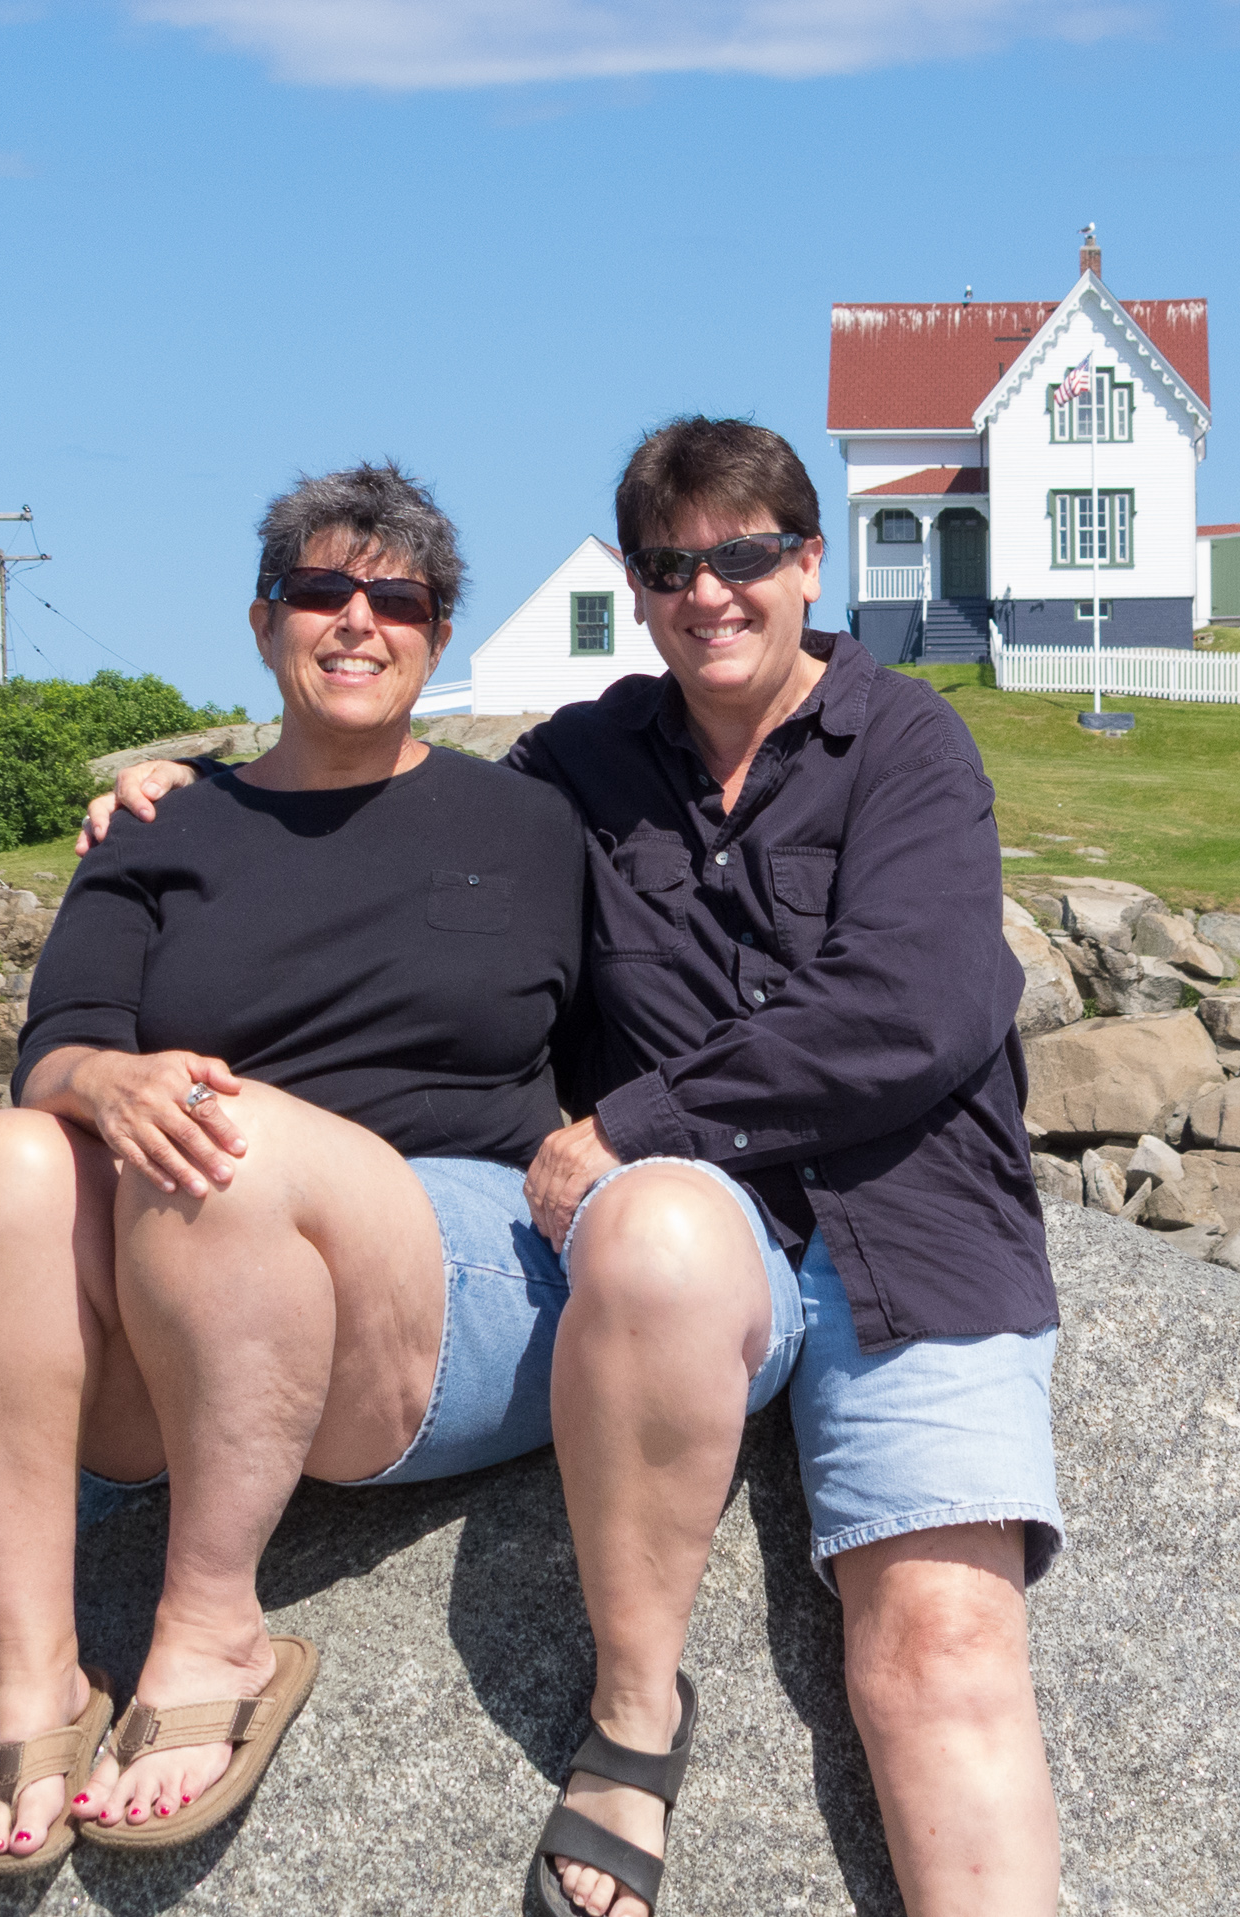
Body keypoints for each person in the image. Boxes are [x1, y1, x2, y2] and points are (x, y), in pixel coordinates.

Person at [90, 419, 1065, 1917]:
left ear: (808, 564)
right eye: (672, 564)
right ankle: (631, 1724)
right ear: (639, 583)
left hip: (909, 1231)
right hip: (688, 1245)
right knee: (661, 1233)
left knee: (940, 1648)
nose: (709, 592)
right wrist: (180, 804)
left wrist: (631, 1123)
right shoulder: (582, 763)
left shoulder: (910, 745)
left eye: (745, 555)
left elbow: (915, 1010)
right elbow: (379, 784)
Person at [0, 461, 632, 1876]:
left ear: (436, 634)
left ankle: (212, 1634)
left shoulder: (534, 823)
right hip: (192, 1305)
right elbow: (54, 1045)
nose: (356, 620)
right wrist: (103, 1081)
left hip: (437, 1262)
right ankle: (33, 1680)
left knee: (222, 1141)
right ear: (263, 623)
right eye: (320, 589)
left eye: (397, 599)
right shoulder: (163, 823)